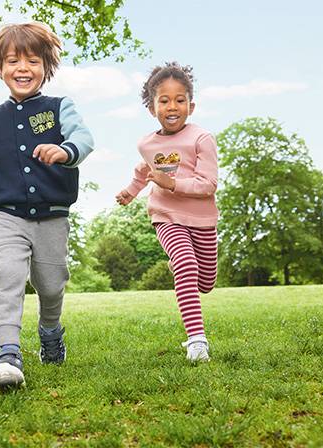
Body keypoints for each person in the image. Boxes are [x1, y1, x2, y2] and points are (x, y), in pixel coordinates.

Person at [0, 22, 94, 388]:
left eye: (32, 61)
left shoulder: (60, 107)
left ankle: (50, 330)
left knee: (52, 286)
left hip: (52, 219)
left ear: (46, 67)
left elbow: (84, 138)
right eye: (13, 61)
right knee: (7, 277)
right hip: (6, 217)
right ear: (0, 68)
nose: (22, 68)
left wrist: (65, 150)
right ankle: (7, 353)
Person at [115, 61, 218, 362]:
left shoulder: (202, 139)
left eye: (179, 99)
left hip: (202, 219)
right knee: (186, 264)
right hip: (166, 216)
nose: (172, 106)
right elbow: (142, 171)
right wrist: (131, 192)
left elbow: (208, 184)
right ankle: (197, 341)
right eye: (164, 100)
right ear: (152, 108)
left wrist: (171, 182)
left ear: (191, 105)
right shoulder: (146, 144)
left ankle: (186, 268)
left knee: (206, 282)